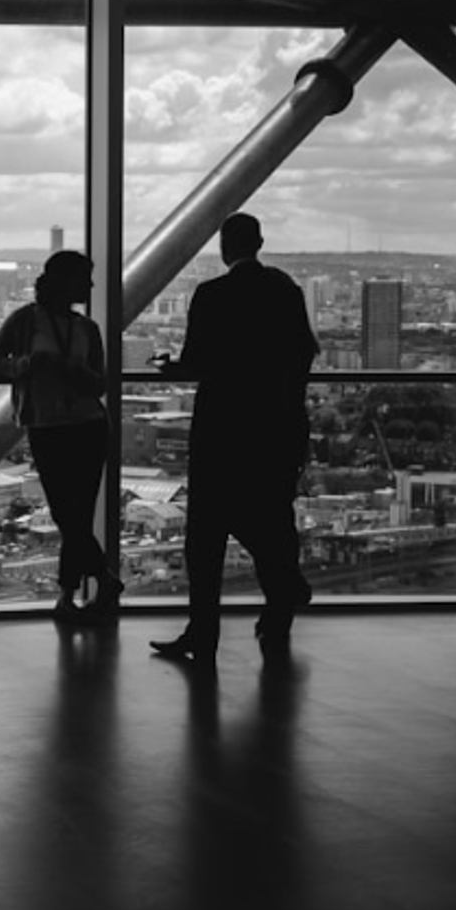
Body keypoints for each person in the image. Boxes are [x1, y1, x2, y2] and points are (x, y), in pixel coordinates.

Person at [151, 213, 318, 665]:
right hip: (276, 428)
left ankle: (203, 633)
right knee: (272, 517)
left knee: (205, 537)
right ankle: (279, 606)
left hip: (222, 430)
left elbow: (197, 364)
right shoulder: (286, 291)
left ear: (225, 248)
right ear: (260, 242)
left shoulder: (212, 295)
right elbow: (305, 353)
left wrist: (170, 369)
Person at [0, 250, 121, 624]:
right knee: (69, 514)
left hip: (85, 425)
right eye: (85, 277)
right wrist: (28, 365)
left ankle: (68, 596)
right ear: (65, 281)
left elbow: (100, 383)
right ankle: (102, 580)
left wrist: (71, 370)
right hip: (52, 425)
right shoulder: (25, 321)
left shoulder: (86, 328)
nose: (91, 285)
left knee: (73, 514)